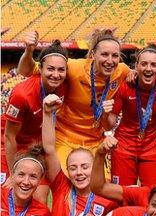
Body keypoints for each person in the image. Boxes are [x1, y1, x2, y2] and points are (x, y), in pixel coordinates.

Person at [17, 30, 131, 172]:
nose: (110, 60)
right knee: (63, 182)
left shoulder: (123, 71)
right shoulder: (74, 67)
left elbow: (144, 71)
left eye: (115, 55)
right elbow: (25, 70)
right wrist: (29, 50)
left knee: (99, 188)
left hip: (95, 141)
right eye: (104, 54)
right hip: (65, 137)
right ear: (93, 54)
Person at [2, 40, 68, 203]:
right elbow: (9, 137)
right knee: (8, 197)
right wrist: (13, 173)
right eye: (50, 69)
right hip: (11, 147)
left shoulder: (65, 84)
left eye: (61, 70)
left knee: (39, 199)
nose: (56, 74)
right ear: (40, 69)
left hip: (38, 148)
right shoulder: (22, 94)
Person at [103, 45, 156, 187]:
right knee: (122, 194)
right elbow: (109, 124)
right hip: (124, 147)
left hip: (153, 149)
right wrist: (105, 115)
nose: (148, 69)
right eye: (144, 64)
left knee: (154, 194)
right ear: (136, 66)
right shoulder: (125, 86)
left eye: (153, 65)